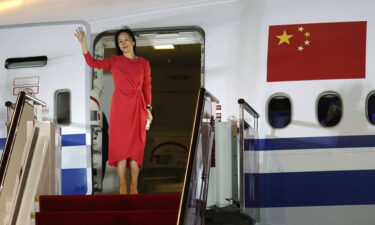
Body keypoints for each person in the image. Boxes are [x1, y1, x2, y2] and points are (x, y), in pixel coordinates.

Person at [74, 27, 153, 194]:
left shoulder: (144, 63)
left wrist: (149, 109)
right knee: (121, 147)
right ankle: (123, 184)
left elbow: (147, 87)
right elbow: (92, 63)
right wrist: (83, 44)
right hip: (120, 108)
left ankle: (134, 185)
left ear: (133, 41)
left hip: (138, 107)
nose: (123, 43)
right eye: (120, 41)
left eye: (126, 40)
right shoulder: (115, 61)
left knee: (137, 147)